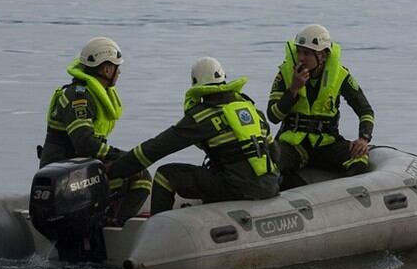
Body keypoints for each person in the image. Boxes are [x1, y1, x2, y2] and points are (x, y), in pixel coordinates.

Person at [108, 57, 280, 215]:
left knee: (165, 175)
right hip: (269, 186)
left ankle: (156, 228)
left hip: (237, 188)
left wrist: (116, 169)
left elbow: (156, 148)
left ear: (196, 85)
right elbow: (275, 154)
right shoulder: (252, 111)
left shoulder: (202, 116)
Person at [38, 36, 151, 220]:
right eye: (117, 67)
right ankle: (117, 226)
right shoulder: (78, 97)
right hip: (66, 173)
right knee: (141, 175)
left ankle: (107, 218)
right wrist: (122, 156)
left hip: (80, 168)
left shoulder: (89, 93)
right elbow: (85, 143)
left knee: (128, 172)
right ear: (106, 69)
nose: (119, 72)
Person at [266, 24, 375, 188]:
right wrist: (294, 89)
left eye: (307, 53)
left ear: (323, 55)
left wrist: (363, 138)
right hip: (293, 146)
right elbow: (273, 116)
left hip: (327, 144)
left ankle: (343, 196)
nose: (301, 58)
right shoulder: (285, 74)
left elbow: (365, 110)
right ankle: (293, 189)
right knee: (267, 161)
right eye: (299, 51)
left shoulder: (341, 75)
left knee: (359, 159)